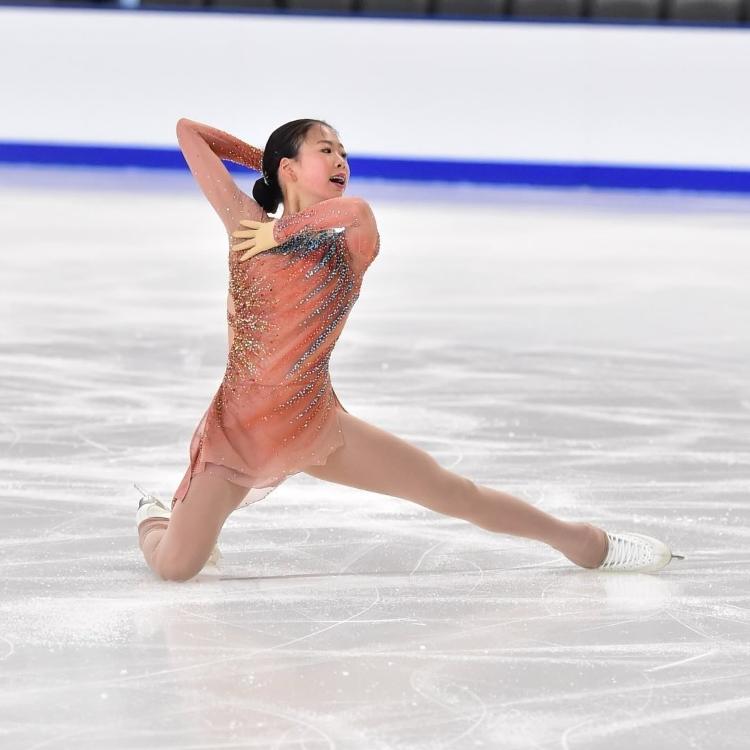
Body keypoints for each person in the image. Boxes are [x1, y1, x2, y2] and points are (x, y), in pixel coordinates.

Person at [136, 117, 684, 582]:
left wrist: (282, 226)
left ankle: (589, 543)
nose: (341, 160)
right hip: (237, 430)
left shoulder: (347, 244)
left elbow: (356, 212)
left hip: (311, 421)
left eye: (344, 153)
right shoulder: (245, 227)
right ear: (288, 167)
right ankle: (158, 518)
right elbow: (190, 133)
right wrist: (268, 158)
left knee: (451, 491)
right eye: (325, 150)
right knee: (177, 568)